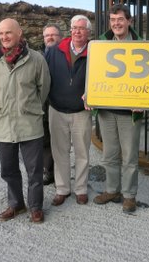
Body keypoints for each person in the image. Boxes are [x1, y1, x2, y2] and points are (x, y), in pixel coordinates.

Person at [0, 18, 51, 224]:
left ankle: (36, 207)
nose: (4, 37)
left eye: (8, 32)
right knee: (8, 169)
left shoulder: (36, 59)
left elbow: (43, 89)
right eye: (1, 33)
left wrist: (28, 108)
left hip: (29, 123)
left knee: (34, 171)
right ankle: (16, 204)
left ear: (19, 33)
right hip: (3, 125)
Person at [93, 3, 143, 213]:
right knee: (109, 154)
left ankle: (129, 195)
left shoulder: (143, 45)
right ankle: (112, 189)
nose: (116, 24)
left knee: (130, 157)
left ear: (129, 21)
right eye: (113, 20)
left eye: (120, 19)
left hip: (130, 113)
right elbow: (94, 73)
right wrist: (90, 92)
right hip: (106, 110)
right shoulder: (101, 45)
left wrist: (145, 102)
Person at [45, 15, 92, 206]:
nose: (77, 31)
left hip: (81, 111)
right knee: (59, 152)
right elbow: (43, 77)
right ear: (70, 30)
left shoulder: (96, 52)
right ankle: (62, 189)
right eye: (74, 28)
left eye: (81, 28)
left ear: (89, 32)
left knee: (82, 153)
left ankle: (81, 189)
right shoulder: (54, 51)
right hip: (56, 109)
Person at [41, 23, 63, 185]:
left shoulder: (65, 55)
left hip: (59, 107)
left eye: (53, 34)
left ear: (60, 37)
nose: (49, 37)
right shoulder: (38, 57)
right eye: (46, 35)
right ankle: (48, 172)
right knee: (45, 142)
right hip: (42, 108)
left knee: (60, 143)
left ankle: (61, 175)